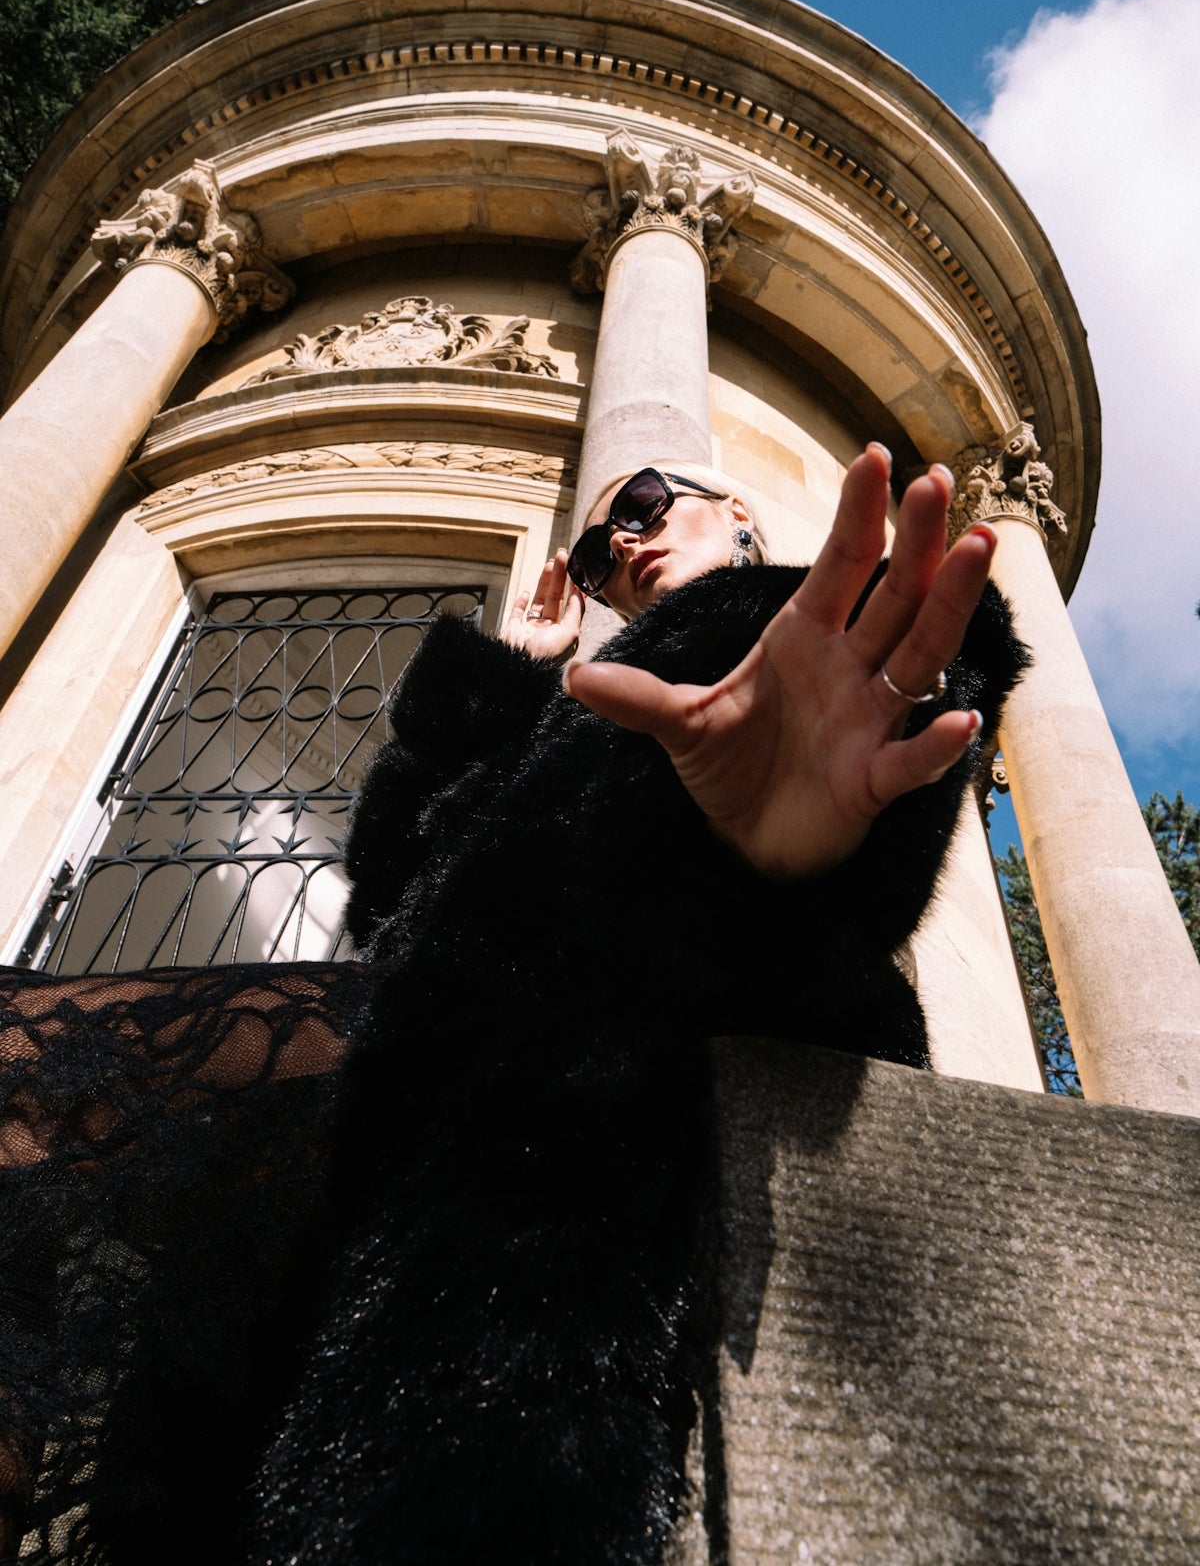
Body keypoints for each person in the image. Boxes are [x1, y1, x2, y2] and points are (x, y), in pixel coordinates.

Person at [0, 445, 1027, 1564]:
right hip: (424, 1089)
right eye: (594, 548)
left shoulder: (806, 631)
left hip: (602, 1132)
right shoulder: (575, 711)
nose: (620, 544)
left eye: (641, 504)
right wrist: (496, 693)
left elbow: (894, 740)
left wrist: (774, 855)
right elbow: (393, 905)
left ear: (736, 509)